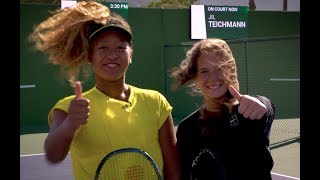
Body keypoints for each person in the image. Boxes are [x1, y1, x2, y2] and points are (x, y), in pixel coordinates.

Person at [28, 1, 181, 179]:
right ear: (90, 56)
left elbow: (173, 169)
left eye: (120, 47)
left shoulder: (156, 102)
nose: (112, 55)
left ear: (131, 54)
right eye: (103, 48)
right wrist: (71, 123)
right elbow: (53, 155)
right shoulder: (68, 107)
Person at [169, 38, 275, 180]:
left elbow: (266, 108)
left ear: (232, 70)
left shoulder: (249, 113)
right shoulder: (187, 128)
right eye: (204, 71)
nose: (213, 78)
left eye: (219, 68)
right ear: (195, 77)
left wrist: (261, 103)